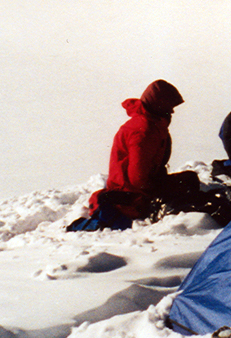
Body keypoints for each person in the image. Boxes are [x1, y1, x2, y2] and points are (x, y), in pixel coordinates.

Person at [68, 79, 207, 231]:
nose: (172, 111)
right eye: (169, 106)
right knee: (186, 185)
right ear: (159, 105)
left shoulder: (151, 124)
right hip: (130, 194)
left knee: (188, 181)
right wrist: (154, 192)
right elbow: (137, 177)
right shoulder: (143, 130)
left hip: (135, 188)